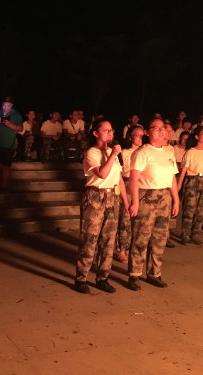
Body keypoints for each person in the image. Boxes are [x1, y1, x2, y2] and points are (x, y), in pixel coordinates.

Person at [74, 119, 128, 294]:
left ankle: (103, 277)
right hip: (95, 196)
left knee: (108, 240)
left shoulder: (113, 152)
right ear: (96, 133)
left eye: (111, 130)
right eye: (106, 131)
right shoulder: (92, 152)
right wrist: (113, 155)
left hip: (112, 196)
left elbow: (118, 178)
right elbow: (102, 174)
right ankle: (81, 277)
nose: (110, 133)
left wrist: (124, 199)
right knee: (90, 239)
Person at [127, 119, 179, 291]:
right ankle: (134, 274)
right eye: (156, 128)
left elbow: (172, 177)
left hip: (164, 196)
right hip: (147, 196)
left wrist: (176, 199)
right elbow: (133, 179)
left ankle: (154, 273)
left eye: (162, 128)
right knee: (141, 237)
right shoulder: (142, 152)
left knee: (160, 238)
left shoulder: (169, 151)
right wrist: (135, 202)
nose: (160, 131)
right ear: (147, 132)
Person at [177, 127, 203, 245]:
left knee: (201, 209)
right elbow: (184, 170)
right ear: (197, 137)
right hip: (192, 180)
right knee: (189, 209)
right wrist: (179, 186)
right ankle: (185, 234)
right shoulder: (190, 152)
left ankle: (195, 234)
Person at [115, 125, 143, 263]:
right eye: (137, 135)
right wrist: (119, 194)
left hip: (140, 186)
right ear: (130, 137)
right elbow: (118, 175)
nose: (140, 138)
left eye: (142, 135)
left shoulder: (144, 152)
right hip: (126, 185)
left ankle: (132, 249)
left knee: (137, 221)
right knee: (124, 220)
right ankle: (121, 249)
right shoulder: (125, 153)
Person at [0, 96, 23, 193]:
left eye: (8, 105)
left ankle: (4, 187)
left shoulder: (16, 115)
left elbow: (20, 128)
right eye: (4, 105)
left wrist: (10, 125)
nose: (5, 107)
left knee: (6, 166)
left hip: (8, 145)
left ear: (12, 105)